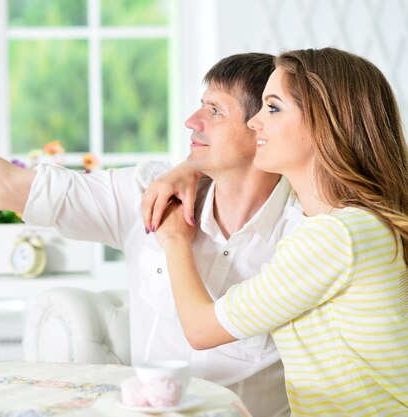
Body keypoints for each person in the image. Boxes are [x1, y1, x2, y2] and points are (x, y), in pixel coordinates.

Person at [0, 53, 297, 416]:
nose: (191, 122)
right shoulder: (148, 193)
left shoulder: (308, 229)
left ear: (262, 127)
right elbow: (9, 186)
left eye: (214, 110)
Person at [145, 47, 408, 416]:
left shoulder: (334, 238)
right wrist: (191, 168)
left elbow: (201, 330)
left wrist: (173, 239)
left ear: (323, 125)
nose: (254, 123)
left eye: (272, 107)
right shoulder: (356, 225)